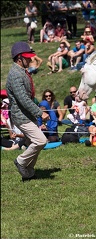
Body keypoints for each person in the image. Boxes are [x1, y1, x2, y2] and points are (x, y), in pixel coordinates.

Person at [6, 41, 49, 182]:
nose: (30, 59)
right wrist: (40, 113)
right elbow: (23, 99)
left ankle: (29, 173)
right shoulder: (15, 75)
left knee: (33, 142)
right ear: (19, 58)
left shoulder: (21, 71)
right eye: (27, 57)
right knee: (41, 140)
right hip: (21, 116)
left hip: (27, 114)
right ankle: (21, 161)